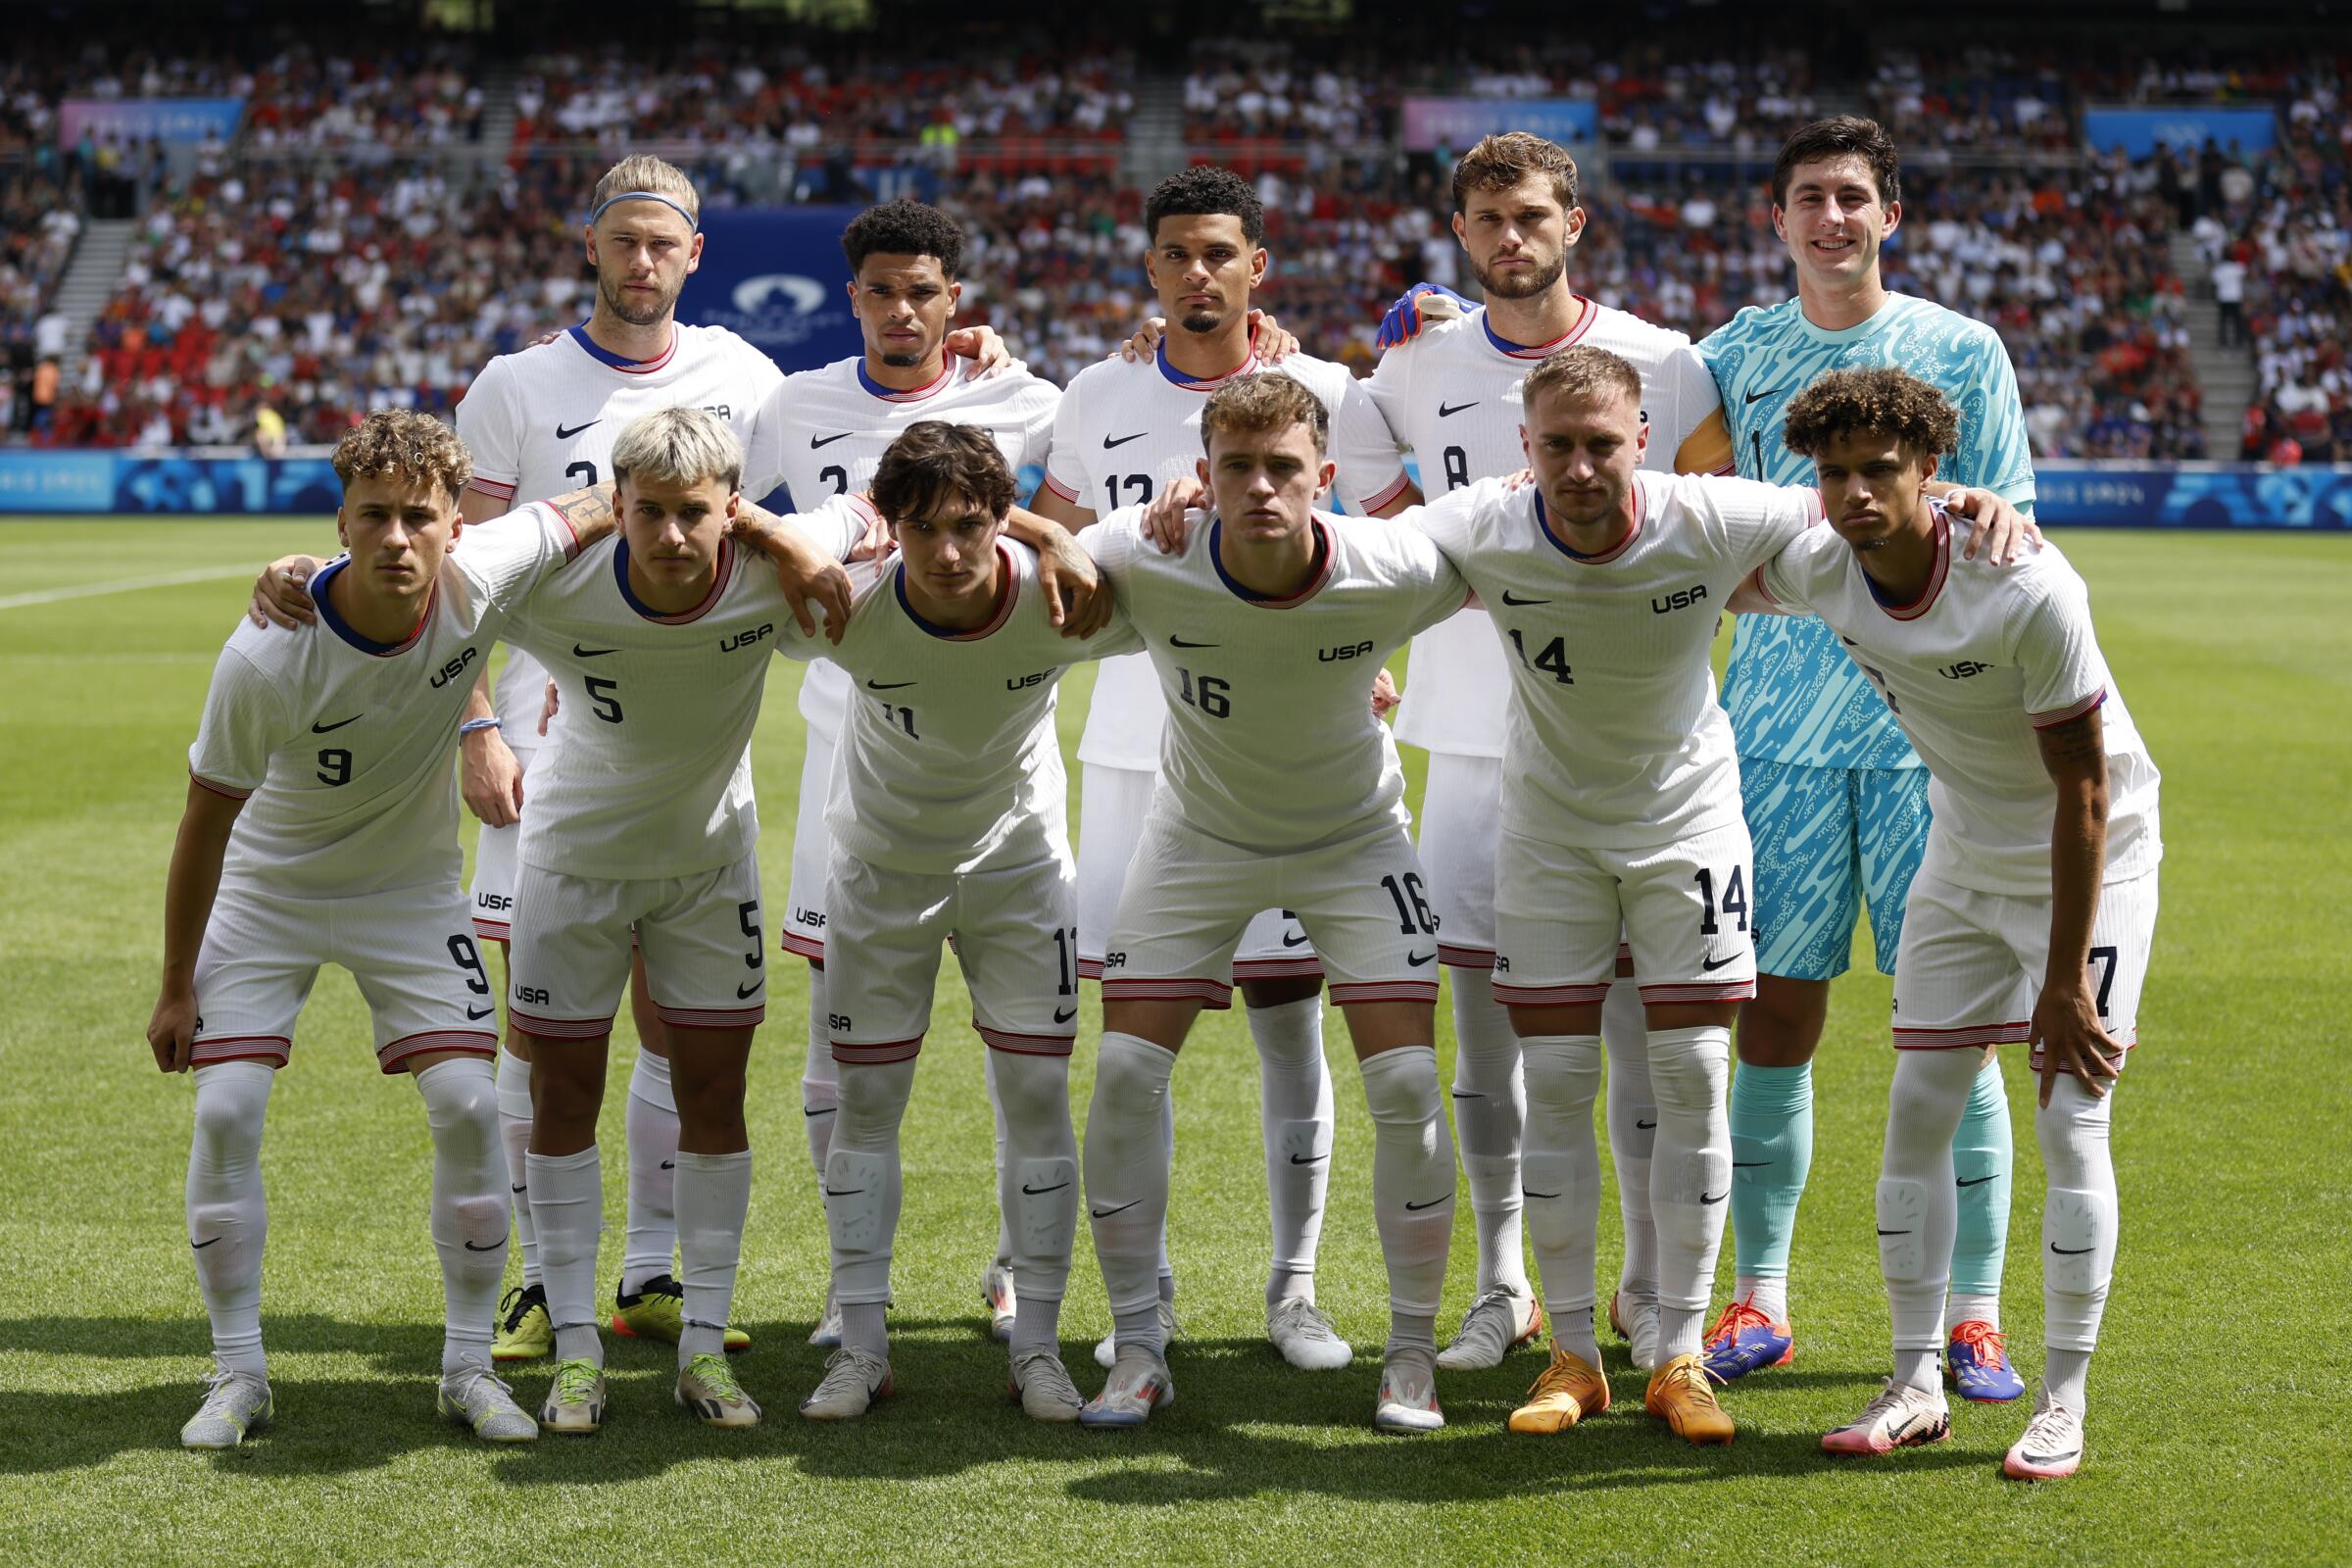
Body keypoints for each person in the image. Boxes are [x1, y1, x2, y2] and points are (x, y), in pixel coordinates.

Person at [148, 411, 620, 1450]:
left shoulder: (485, 573)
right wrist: (177, 983)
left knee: (463, 1103)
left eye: (419, 516)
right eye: (375, 516)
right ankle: (238, 1372)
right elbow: (203, 822)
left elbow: (606, 496)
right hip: (269, 889)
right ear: (341, 522)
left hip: (408, 891)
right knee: (226, 1107)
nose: (398, 538)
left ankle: (464, 1365)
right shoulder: (265, 657)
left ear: (458, 523)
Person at [1738, 368, 2160, 1482]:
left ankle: (2063, 1402)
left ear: (1932, 472)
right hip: (1963, 848)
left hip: (2093, 858)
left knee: (2072, 1119)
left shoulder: (2026, 585)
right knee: (1919, 1102)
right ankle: (1916, 1380)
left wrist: (2063, 983)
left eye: (1882, 469)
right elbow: (1693, 558)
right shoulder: (1822, 560)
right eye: (1834, 473)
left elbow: (2083, 792)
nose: (1856, 492)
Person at [1030, 166, 1416, 1375]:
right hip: (1140, 753)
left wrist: (1365, 655)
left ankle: (1294, 1290)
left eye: (1220, 253)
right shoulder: (1096, 390)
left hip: (1305, 756)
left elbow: (1398, 545)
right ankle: (1136, 1300)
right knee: (1132, 1048)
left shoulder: (1331, 393)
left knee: (1289, 1023)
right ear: (1150, 270)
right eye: (1177, 255)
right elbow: (1044, 547)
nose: (1198, 274)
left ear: (1259, 265)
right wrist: (1121, 530)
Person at [1364, 129, 1735, 1375]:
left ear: (1573, 222)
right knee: (1492, 1031)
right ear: (1460, 233)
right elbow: (1366, 513)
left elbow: (1710, 527)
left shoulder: (1665, 364)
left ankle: (1644, 1291)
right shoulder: (1412, 364)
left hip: (1625, 757)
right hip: (1468, 746)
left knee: (1643, 1028)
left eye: (1531, 216)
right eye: (1486, 220)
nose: (1509, 238)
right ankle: (1507, 1283)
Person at [1694, 118, 2040, 1398]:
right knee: (1774, 1014)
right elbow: (1612, 401)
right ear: (1777, 219)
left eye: (1852, 197)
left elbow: (2012, 519)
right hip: (1774, 743)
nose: (1830, 218)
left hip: (1926, 745)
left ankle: (1974, 1312)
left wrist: (1996, 517)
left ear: (1890, 213)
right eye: (1807, 199)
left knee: (1951, 1031)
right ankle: (1761, 1297)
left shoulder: (1962, 349)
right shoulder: (1733, 352)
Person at [1074, 373, 1464, 1434]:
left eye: (1283, 467)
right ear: (1200, 476)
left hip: (1355, 844)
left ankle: (1412, 1356)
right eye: (1235, 467)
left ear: (1324, 479)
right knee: (1120, 1073)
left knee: (1411, 1083)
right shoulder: (1145, 552)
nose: (1259, 487)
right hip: (1199, 841)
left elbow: (1509, 530)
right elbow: (1047, 553)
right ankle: (1139, 1347)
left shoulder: (1392, 562)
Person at [451, 153, 783, 1363]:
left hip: (689, 759)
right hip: (545, 757)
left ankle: (648, 1274)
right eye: (624, 240)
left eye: (666, 244)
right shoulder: (515, 384)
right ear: (590, 246)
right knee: (538, 1035)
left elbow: (831, 494)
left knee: (673, 1020)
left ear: (695, 255)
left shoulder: (746, 377)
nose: (643, 263)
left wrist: (980, 358)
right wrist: (476, 724)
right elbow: (464, 576)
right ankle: (544, 1284)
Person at [733, 196, 1080, 1350]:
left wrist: (1039, 535)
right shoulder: (794, 404)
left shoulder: (1031, 402)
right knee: (844, 1040)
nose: (900, 311)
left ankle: (1012, 1271)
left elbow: (1071, 515)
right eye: (880, 290)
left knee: (1015, 1028)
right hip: (851, 744)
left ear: (955, 301)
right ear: (853, 299)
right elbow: (726, 512)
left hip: (996, 739)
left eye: (921, 290)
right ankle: (851, 1285)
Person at [494, 407, 867, 1433]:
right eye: (646, 511)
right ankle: (576, 1350)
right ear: (616, 506)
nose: (667, 535)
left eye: (691, 513)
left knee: (714, 1091)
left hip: (711, 871)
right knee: (561, 1092)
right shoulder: (557, 582)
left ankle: (703, 1346)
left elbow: (873, 510)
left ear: (729, 509)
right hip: (572, 869)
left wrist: (791, 539)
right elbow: (439, 576)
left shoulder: (764, 577)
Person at [781, 423, 1140, 1423]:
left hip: (1020, 880)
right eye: (921, 528)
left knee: (1035, 1100)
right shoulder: (842, 607)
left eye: (972, 527)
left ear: (1004, 522)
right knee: (866, 1111)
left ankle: (1037, 1349)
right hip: (880, 880)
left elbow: (1210, 597)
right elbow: (696, 562)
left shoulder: (1061, 597)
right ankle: (860, 1345)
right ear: (887, 526)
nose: (946, 553)